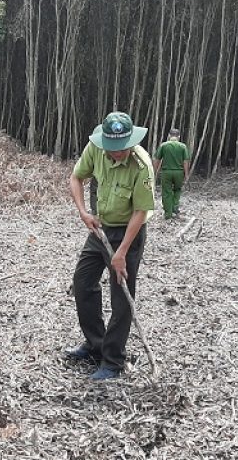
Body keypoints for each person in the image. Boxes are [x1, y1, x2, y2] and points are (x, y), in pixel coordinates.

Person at [67, 111, 155, 380]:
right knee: (83, 283)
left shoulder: (142, 166)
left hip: (129, 232)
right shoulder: (95, 148)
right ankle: (95, 344)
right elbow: (76, 177)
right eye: (113, 149)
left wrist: (122, 252)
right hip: (100, 229)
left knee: (121, 297)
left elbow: (141, 212)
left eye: (123, 148)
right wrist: (83, 212)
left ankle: (113, 360)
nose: (118, 153)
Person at [152, 128, 190, 219]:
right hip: (178, 172)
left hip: (166, 172)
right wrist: (186, 174)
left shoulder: (163, 145)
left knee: (166, 192)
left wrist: (154, 172)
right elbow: (186, 161)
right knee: (177, 190)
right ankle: (175, 208)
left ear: (169, 135)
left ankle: (168, 213)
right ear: (179, 137)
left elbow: (157, 160)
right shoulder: (183, 146)